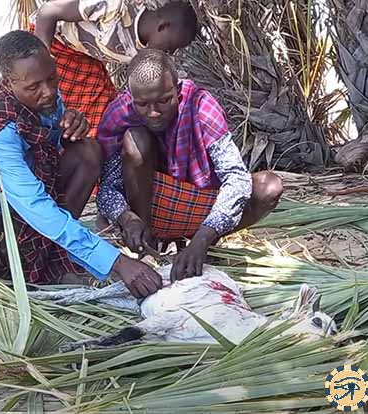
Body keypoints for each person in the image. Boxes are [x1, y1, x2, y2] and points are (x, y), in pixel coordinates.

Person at [0, 31, 161, 298]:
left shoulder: (46, 100)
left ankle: (50, 258)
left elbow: (47, 155)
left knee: (88, 151)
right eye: (34, 87)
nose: (48, 91)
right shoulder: (1, 129)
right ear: (8, 83)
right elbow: (36, 207)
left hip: (20, 227)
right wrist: (117, 262)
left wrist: (68, 132)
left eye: (52, 78)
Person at [96, 49, 284, 282]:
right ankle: (148, 245)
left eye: (164, 100)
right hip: (150, 205)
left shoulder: (201, 106)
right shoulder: (121, 112)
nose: (153, 112)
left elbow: (236, 177)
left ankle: (200, 246)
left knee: (269, 187)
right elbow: (107, 189)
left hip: (199, 207)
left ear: (177, 90)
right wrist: (127, 219)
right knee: (136, 140)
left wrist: (203, 237)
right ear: (131, 97)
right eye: (143, 104)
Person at [31, 0, 199, 138]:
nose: (168, 53)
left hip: (85, 57)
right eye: (170, 48)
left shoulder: (145, 50)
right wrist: (41, 63)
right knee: (51, 112)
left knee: (101, 119)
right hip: (51, 44)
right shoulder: (113, 7)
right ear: (163, 26)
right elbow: (48, 12)